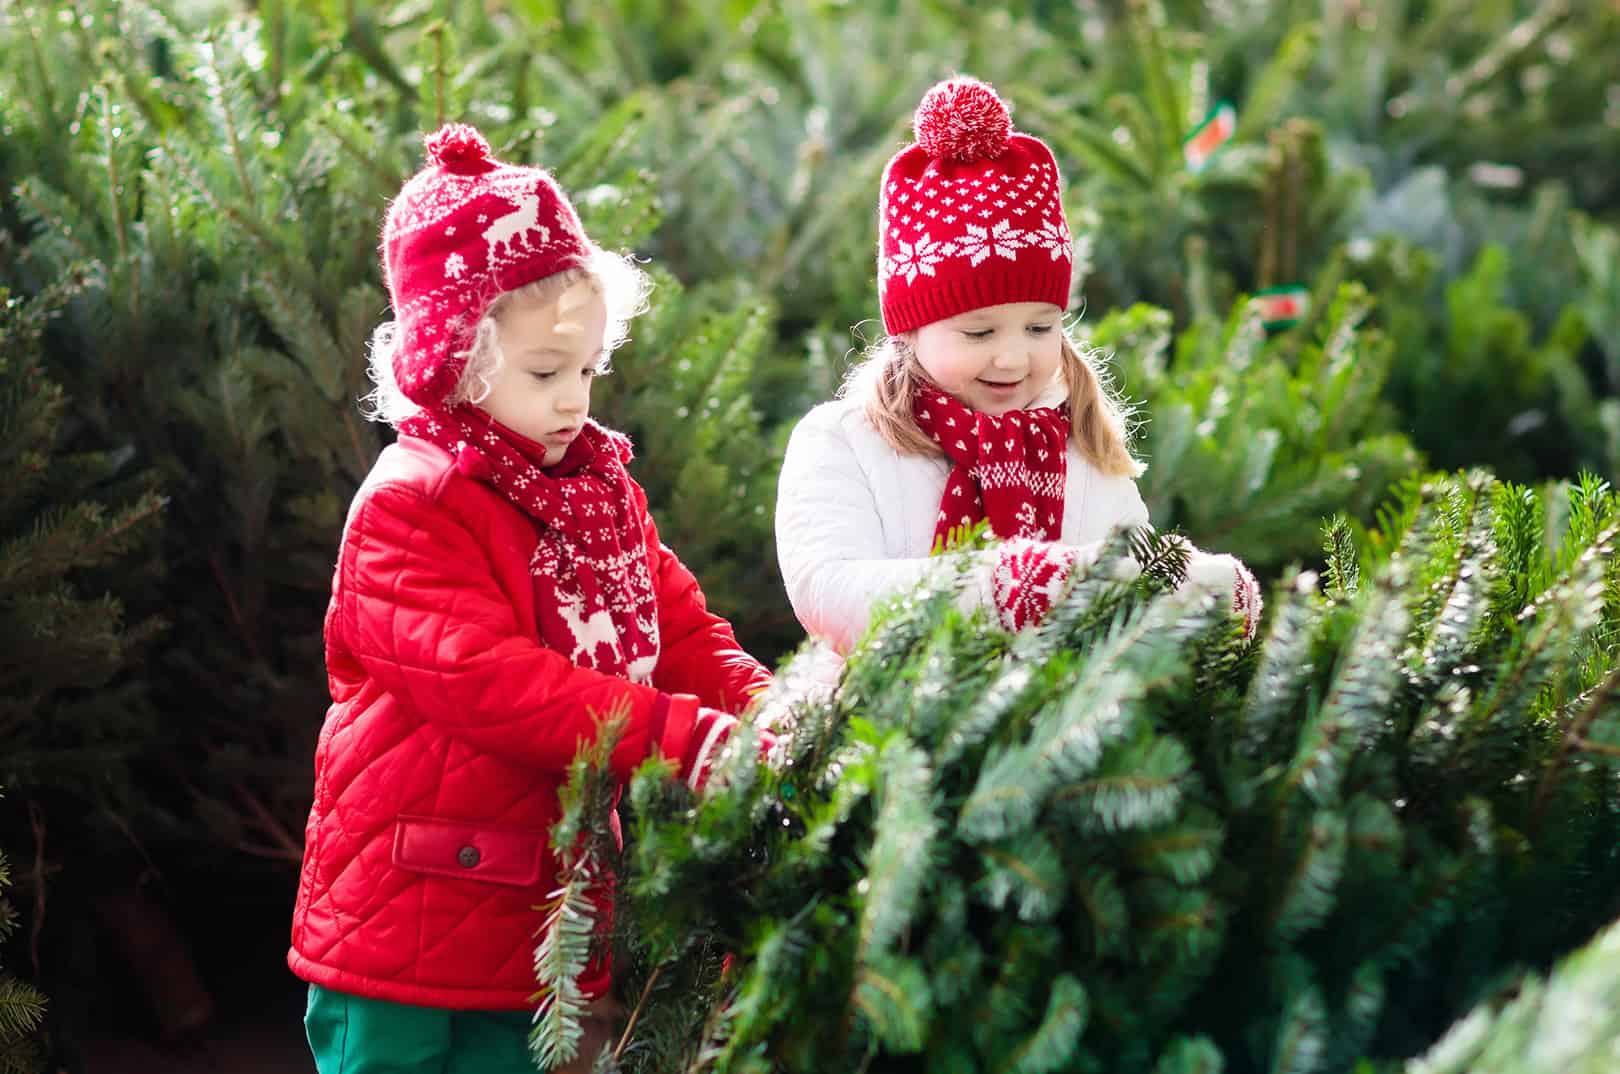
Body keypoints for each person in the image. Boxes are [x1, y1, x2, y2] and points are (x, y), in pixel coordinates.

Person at [288, 123, 772, 1074]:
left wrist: (763, 711)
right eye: (546, 374)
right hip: (401, 916)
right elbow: (498, 684)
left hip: (539, 927)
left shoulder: (595, 495)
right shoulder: (412, 505)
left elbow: (676, 626)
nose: (574, 402)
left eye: (589, 370)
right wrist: (684, 741)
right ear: (457, 362)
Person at [776, 77, 1260, 656]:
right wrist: (1011, 585)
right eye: (978, 331)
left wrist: (1197, 592)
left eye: (1040, 328)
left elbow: (1129, 589)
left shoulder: (1080, 448)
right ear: (911, 327)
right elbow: (829, 592)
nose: (1012, 357)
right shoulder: (843, 443)